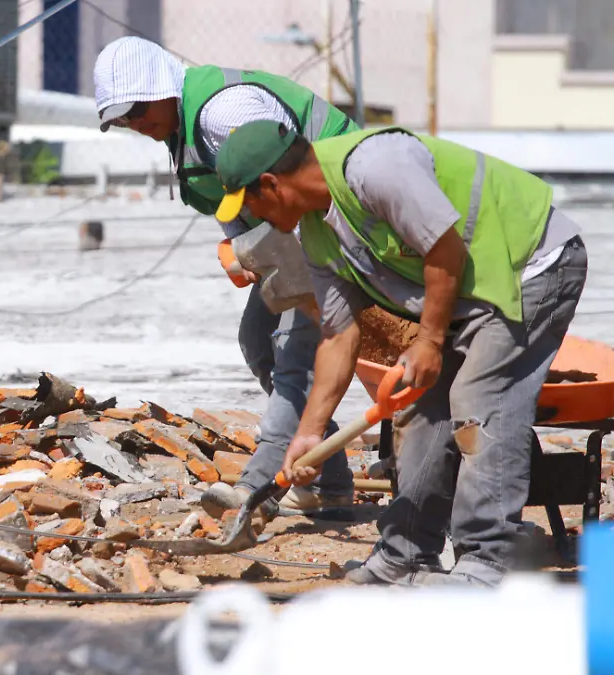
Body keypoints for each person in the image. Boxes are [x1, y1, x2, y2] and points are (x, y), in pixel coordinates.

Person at [211, 120, 587, 587]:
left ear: (271, 184)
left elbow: (443, 247)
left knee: (478, 400)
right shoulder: (317, 231)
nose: (253, 215)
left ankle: (487, 561)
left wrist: (428, 341)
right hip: (469, 291)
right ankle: (406, 553)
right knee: (420, 408)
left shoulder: (375, 169)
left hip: (531, 264)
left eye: (249, 202)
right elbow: (337, 334)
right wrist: (308, 434)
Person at [93, 36, 358, 518]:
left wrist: (283, 264)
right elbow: (241, 196)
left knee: (290, 352)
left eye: (138, 109)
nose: (136, 124)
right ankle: (332, 481)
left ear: (161, 86)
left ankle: (258, 488)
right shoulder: (183, 129)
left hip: (338, 216)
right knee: (259, 342)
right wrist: (243, 245)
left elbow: (285, 180)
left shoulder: (221, 112)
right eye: (125, 118)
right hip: (293, 228)